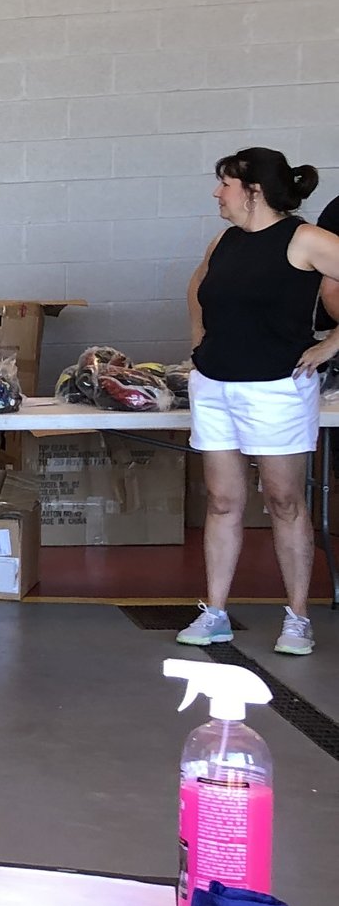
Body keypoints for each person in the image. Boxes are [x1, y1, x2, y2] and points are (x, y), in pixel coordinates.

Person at [181, 149, 339, 653]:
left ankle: (297, 617)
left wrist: (331, 344)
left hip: (277, 389)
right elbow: (197, 287)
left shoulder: (305, 239)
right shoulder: (224, 240)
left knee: (285, 501)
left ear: (253, 190)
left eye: (223, 183)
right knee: (224, 502)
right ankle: (216, 612)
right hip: (215, 385)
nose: (216, 193)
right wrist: (198, 343)